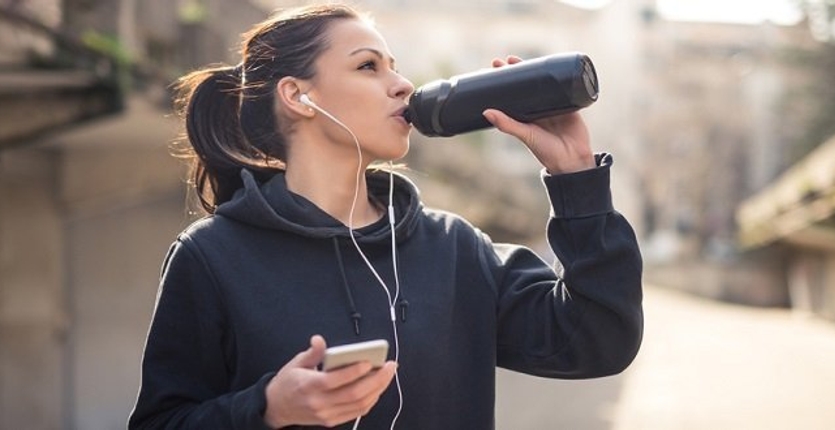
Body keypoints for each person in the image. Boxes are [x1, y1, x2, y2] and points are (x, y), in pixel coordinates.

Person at [129, 4, 643, 429]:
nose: (402, 85)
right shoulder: (212, 256)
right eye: (368, 66)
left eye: (395, 66)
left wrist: (576, 179)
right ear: (298, 96)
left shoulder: (455, 247)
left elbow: (601, 339)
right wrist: (267, 408)